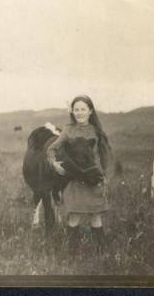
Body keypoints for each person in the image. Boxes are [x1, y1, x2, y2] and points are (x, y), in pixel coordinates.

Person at [47, 95, 112, 254]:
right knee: (74, 217)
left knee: (95, 217)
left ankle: (101, 254)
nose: (80, 113)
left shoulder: (96, 131)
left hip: (94, 180)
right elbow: (51, 149)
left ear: (90, 111)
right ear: (72, 111)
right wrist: (54, 164)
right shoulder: (68, 130)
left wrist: (105, 178)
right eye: (76, 109)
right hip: (74, 180)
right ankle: (71, 255)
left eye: (83, 109)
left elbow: (104, 156)